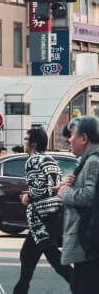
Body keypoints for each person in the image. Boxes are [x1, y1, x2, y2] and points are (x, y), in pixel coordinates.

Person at [14, 126, 72, 293]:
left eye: (26, 140)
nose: (24, 143)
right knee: (28, 256)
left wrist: (28, 197)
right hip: (52, 213)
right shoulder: (50, 159)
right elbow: (53, 186)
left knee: (52, 258)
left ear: (33, 143)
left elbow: (40, 190)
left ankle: (82, 286)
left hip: (41, 217)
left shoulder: (33, 161)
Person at [57, 115, 99, 291]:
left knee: (82, 287)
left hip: (88, 240)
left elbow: (90, 196)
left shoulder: (93, 161)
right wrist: (69, 184)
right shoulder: (87, 160)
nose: (69, 140)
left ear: (84, 138)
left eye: (72, 134)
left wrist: (66, 193)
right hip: (88, 240)